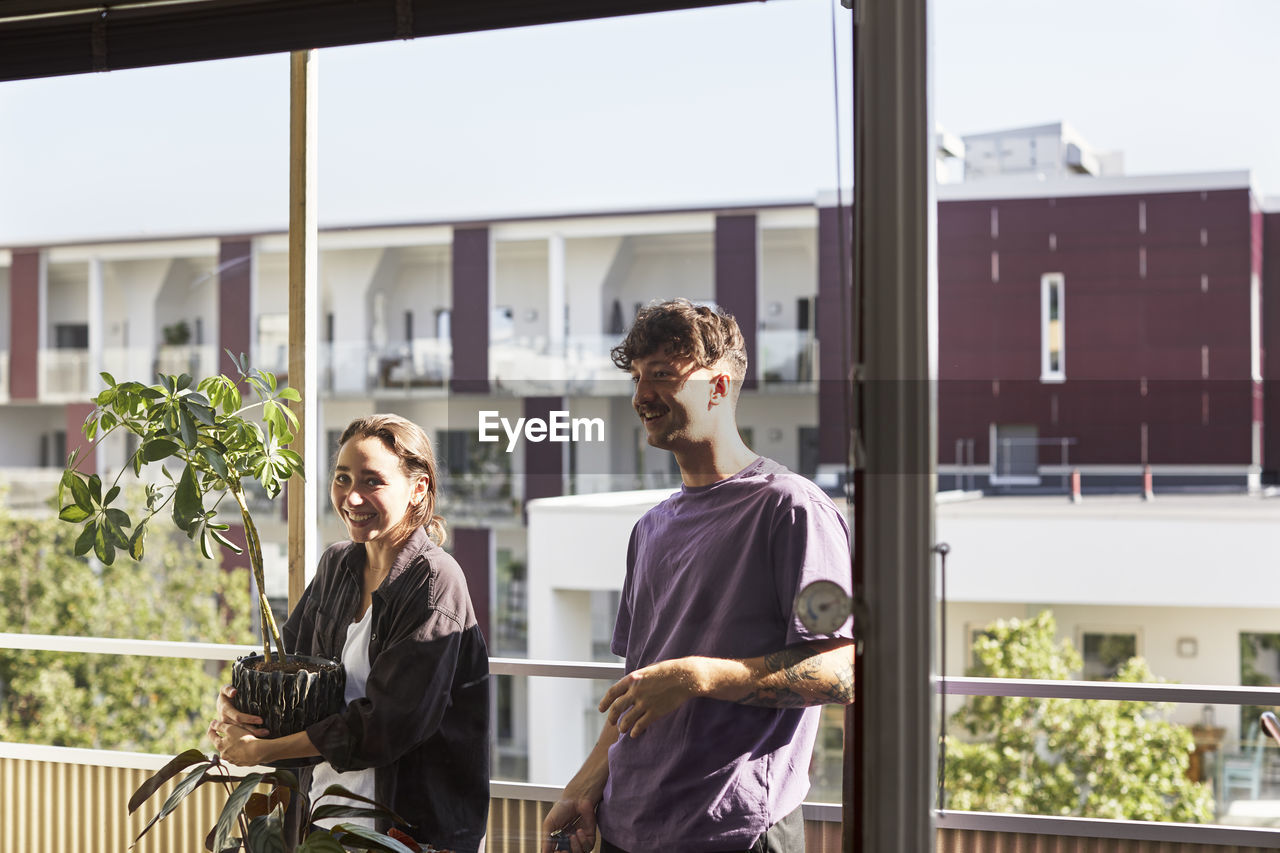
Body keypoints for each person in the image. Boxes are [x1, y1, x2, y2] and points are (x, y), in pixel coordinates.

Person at [542, 299, 855, 853]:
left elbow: (841, 670)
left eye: (662, 375)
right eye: (637, 378)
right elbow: (640, 688)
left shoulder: (791, 508)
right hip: (627, 827)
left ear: (719, 383)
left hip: (732, 831)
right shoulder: (651, 529)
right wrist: (586, 785)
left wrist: (701, 677)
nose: (641, 396)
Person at [208, 413, 489, 852]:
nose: (352, 496)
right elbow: (289, 671)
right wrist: (237, 705)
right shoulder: (338, 565)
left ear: (419, 488)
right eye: (342, 478)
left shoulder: (434, 581)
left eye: (372, 481)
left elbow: (387, 725)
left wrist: (262, 752)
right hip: (324, 824)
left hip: (404, 835)